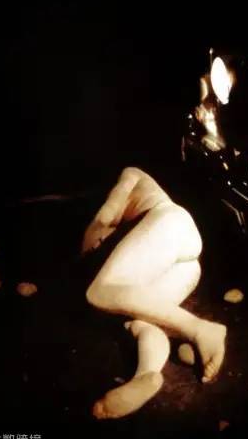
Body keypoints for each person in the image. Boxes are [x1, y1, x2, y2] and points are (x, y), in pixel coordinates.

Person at [83, 167, 226, 419]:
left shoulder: (130, 174)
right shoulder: (136, 226)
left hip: (172, 224)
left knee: (98, 291)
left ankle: (200, 329)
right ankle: (146, 374)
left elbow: (105, 215)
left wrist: (93, 236)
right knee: (142, 320)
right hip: (186, 264)